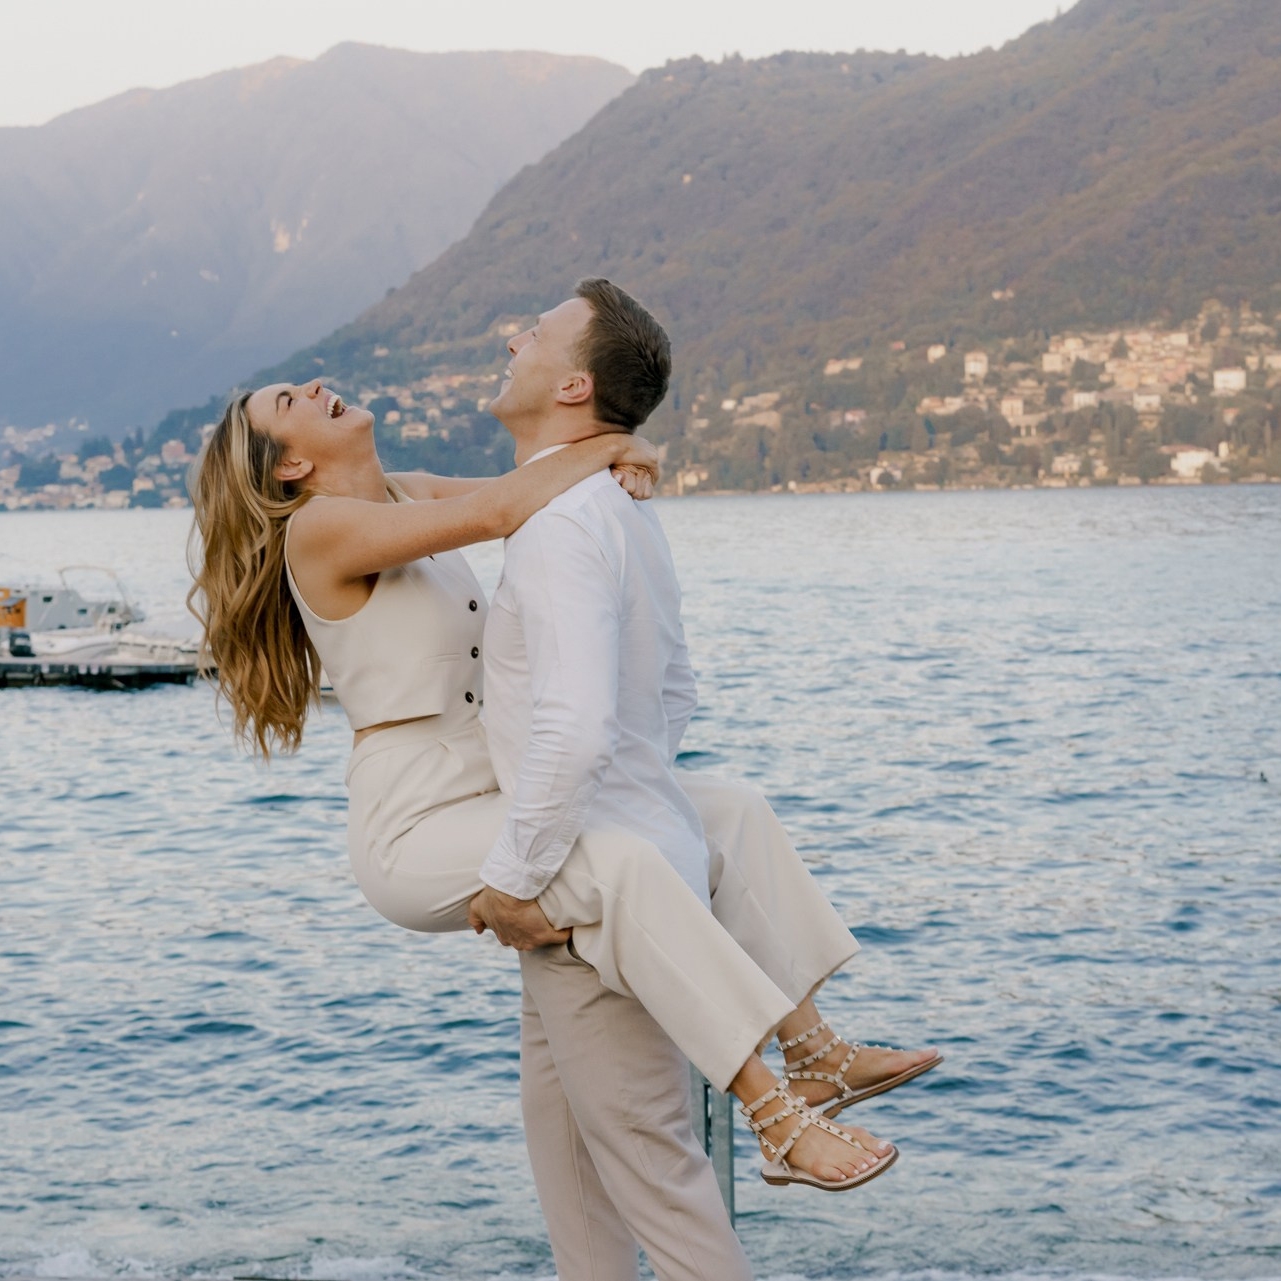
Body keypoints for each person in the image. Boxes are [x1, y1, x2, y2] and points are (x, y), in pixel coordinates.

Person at [188, 289, 939, 1278]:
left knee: (724, 812)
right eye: (289, 399)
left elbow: (520, 487)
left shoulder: (403, 496)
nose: (316, 386)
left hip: (491, 797)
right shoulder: (319, 532)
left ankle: (816, 1044)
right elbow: (513, 505)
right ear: (288, 463)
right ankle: (770, 1106)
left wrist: (607, 456)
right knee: (623, 862)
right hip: (417, 828)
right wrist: (620, 447)